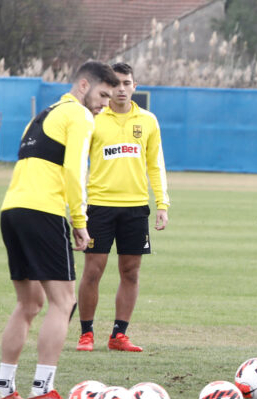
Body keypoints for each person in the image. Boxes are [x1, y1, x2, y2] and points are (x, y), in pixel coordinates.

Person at [0, 61, 119, 399]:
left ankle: (4, 389)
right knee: (63, 302)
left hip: (12, 211)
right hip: (43, 212)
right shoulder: (79, 115)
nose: (104, 104)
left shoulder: (43, 115)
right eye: (102, 95)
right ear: (84, 85)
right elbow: (75, 169)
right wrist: (80, 220)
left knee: (29, 303)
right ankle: (43, 389)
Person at [76, 63, 170, 352]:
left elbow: (155, 165)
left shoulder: (148, 121)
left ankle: (119, 335)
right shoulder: (93, 118)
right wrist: (78, 204)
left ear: (134, 86)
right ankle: (86, 333)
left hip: (135, 208)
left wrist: (162, 203)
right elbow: (78, 164)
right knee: (93, 271)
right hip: (99, 206)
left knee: (131, 272)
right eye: (115, 84)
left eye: (126, 83)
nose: (121, 89)